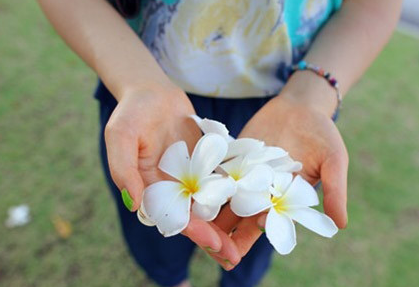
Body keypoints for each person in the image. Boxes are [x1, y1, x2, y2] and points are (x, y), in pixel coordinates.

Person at [38, 0, 401, 286]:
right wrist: (136, 82)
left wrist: (312, 96)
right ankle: (171, 279)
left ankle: (239, 282)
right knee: (153, 222)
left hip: (284, 103)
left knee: (252, 232)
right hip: (145, 87)